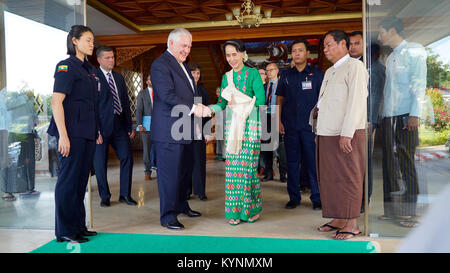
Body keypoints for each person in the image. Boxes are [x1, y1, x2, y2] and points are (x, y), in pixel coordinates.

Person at [311, 30, 368, 240]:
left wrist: (347, 133)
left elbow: (356, 102)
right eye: (324, 46)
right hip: (326, 132)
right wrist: (318, 130)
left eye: (328, 45)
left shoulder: (355, 67)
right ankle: (338, 217)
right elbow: (322, 103)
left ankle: (352, 223)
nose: (325, 50)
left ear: (343, 44)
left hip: (346, 133)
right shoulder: (330, 71)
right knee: (330, 178)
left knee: (349, 177)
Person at [201, 38, 265, 225]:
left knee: (247, 171)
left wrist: (242, 105)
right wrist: (209, 109)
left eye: (234, 54)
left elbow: (260, 102)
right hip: (232, 129)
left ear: (243, 54)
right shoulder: (226, 78)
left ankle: (250, 210)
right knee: (233, 172)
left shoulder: (253, 74)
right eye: (228, 55)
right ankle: (235, 213)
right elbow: (222, 103)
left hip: (250, 126)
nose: (231, 59)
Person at [47, 25, 99, 243]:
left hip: (86, 133)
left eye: (93, 40)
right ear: (75, 41)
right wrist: (64, 136)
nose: (91, 44)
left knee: (80, 182)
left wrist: (95, 131)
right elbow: (56, 102)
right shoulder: (66, 67)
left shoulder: (89, 70)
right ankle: (65, 230)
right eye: (87, 39)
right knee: (68, 181)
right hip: (71, 133)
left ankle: (78, 226)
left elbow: (90, 105)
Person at [150, 27, 202, 230]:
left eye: (189, 46)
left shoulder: (184, 66)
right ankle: (168, 216)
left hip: (184, 129)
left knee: (183, 173)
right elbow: (166, 95)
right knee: (169, 175)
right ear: (170, 43)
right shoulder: (160, 65)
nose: (187, 50)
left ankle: (181, 205)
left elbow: (189, 95)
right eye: (183, 45)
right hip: (168, 131)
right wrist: (194, 108)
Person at [377, 16, 426, 228]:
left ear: (393, 30)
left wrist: (415, 114)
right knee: (389, 164)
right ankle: (391, 210)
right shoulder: (390, 57)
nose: (379, 37)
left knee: (406, 164)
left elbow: (419, 83)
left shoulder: (414, 51)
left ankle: (409, 212)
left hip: (406, 116)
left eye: (381, 32)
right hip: (389, 117)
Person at [276, 38, 324, 210]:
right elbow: (279, 99)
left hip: (311, 127)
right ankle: (294, 197)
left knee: (313, 162)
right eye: (294, 51)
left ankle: (317, 197)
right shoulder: (286, 75)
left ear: (307, 53)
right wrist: (278, 121)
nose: (296, 53)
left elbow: (323, 101)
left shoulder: (318, 74)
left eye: (300, 50)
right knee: (292, 163)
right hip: (290, 126)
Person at [93, 46, 137, 207]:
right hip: (101, 128)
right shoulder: (93, 77)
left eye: (112, 57)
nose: (112, 60)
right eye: (107, 58)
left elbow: (124, 102)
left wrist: (129, 126)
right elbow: (91, 106)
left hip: (119, 125)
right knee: (100, 162)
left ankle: (125, 194)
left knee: (127, 158)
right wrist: (95, 130)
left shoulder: (118, 77)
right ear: (99, 60)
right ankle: (105, 196)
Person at [187, 62, 211, 201]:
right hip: (185, 130)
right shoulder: (183, 90)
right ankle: (186, 191)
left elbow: (207, 113)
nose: (195, 75)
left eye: (197, 73)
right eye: (193, 73)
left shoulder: (203, 91)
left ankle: (200, 191)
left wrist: (207, 132)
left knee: (200, 161)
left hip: (200, 131)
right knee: (186, 162)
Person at [260, 62, 287, 183]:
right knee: (266, 147)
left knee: (281, 148)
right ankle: (268, 173)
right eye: (267, 71)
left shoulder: (282, 84)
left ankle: (283, 174)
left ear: (277, 71)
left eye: (271, 70)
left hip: (279, 117)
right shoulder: (264, 86)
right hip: (266, 117)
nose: (269, 72)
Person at [136, 74, 155, 180]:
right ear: (147, 82)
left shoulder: (160, 92)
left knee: (159, 149)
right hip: (146, 126)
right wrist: (139, 124)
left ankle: (160, 168)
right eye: (150, 79)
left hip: (159, 125)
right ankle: (147, 171)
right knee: (147, 150)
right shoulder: (142, 93)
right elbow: (139, 110)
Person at [213, 86, 226, 161]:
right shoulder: (217, 100)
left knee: (223, 138)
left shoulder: (224, 100)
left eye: (219, 91)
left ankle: (224, 155)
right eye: (217, 92)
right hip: (219, 121)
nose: (218, 93)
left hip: (223, 121)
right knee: (219, 138)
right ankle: (220, 153)